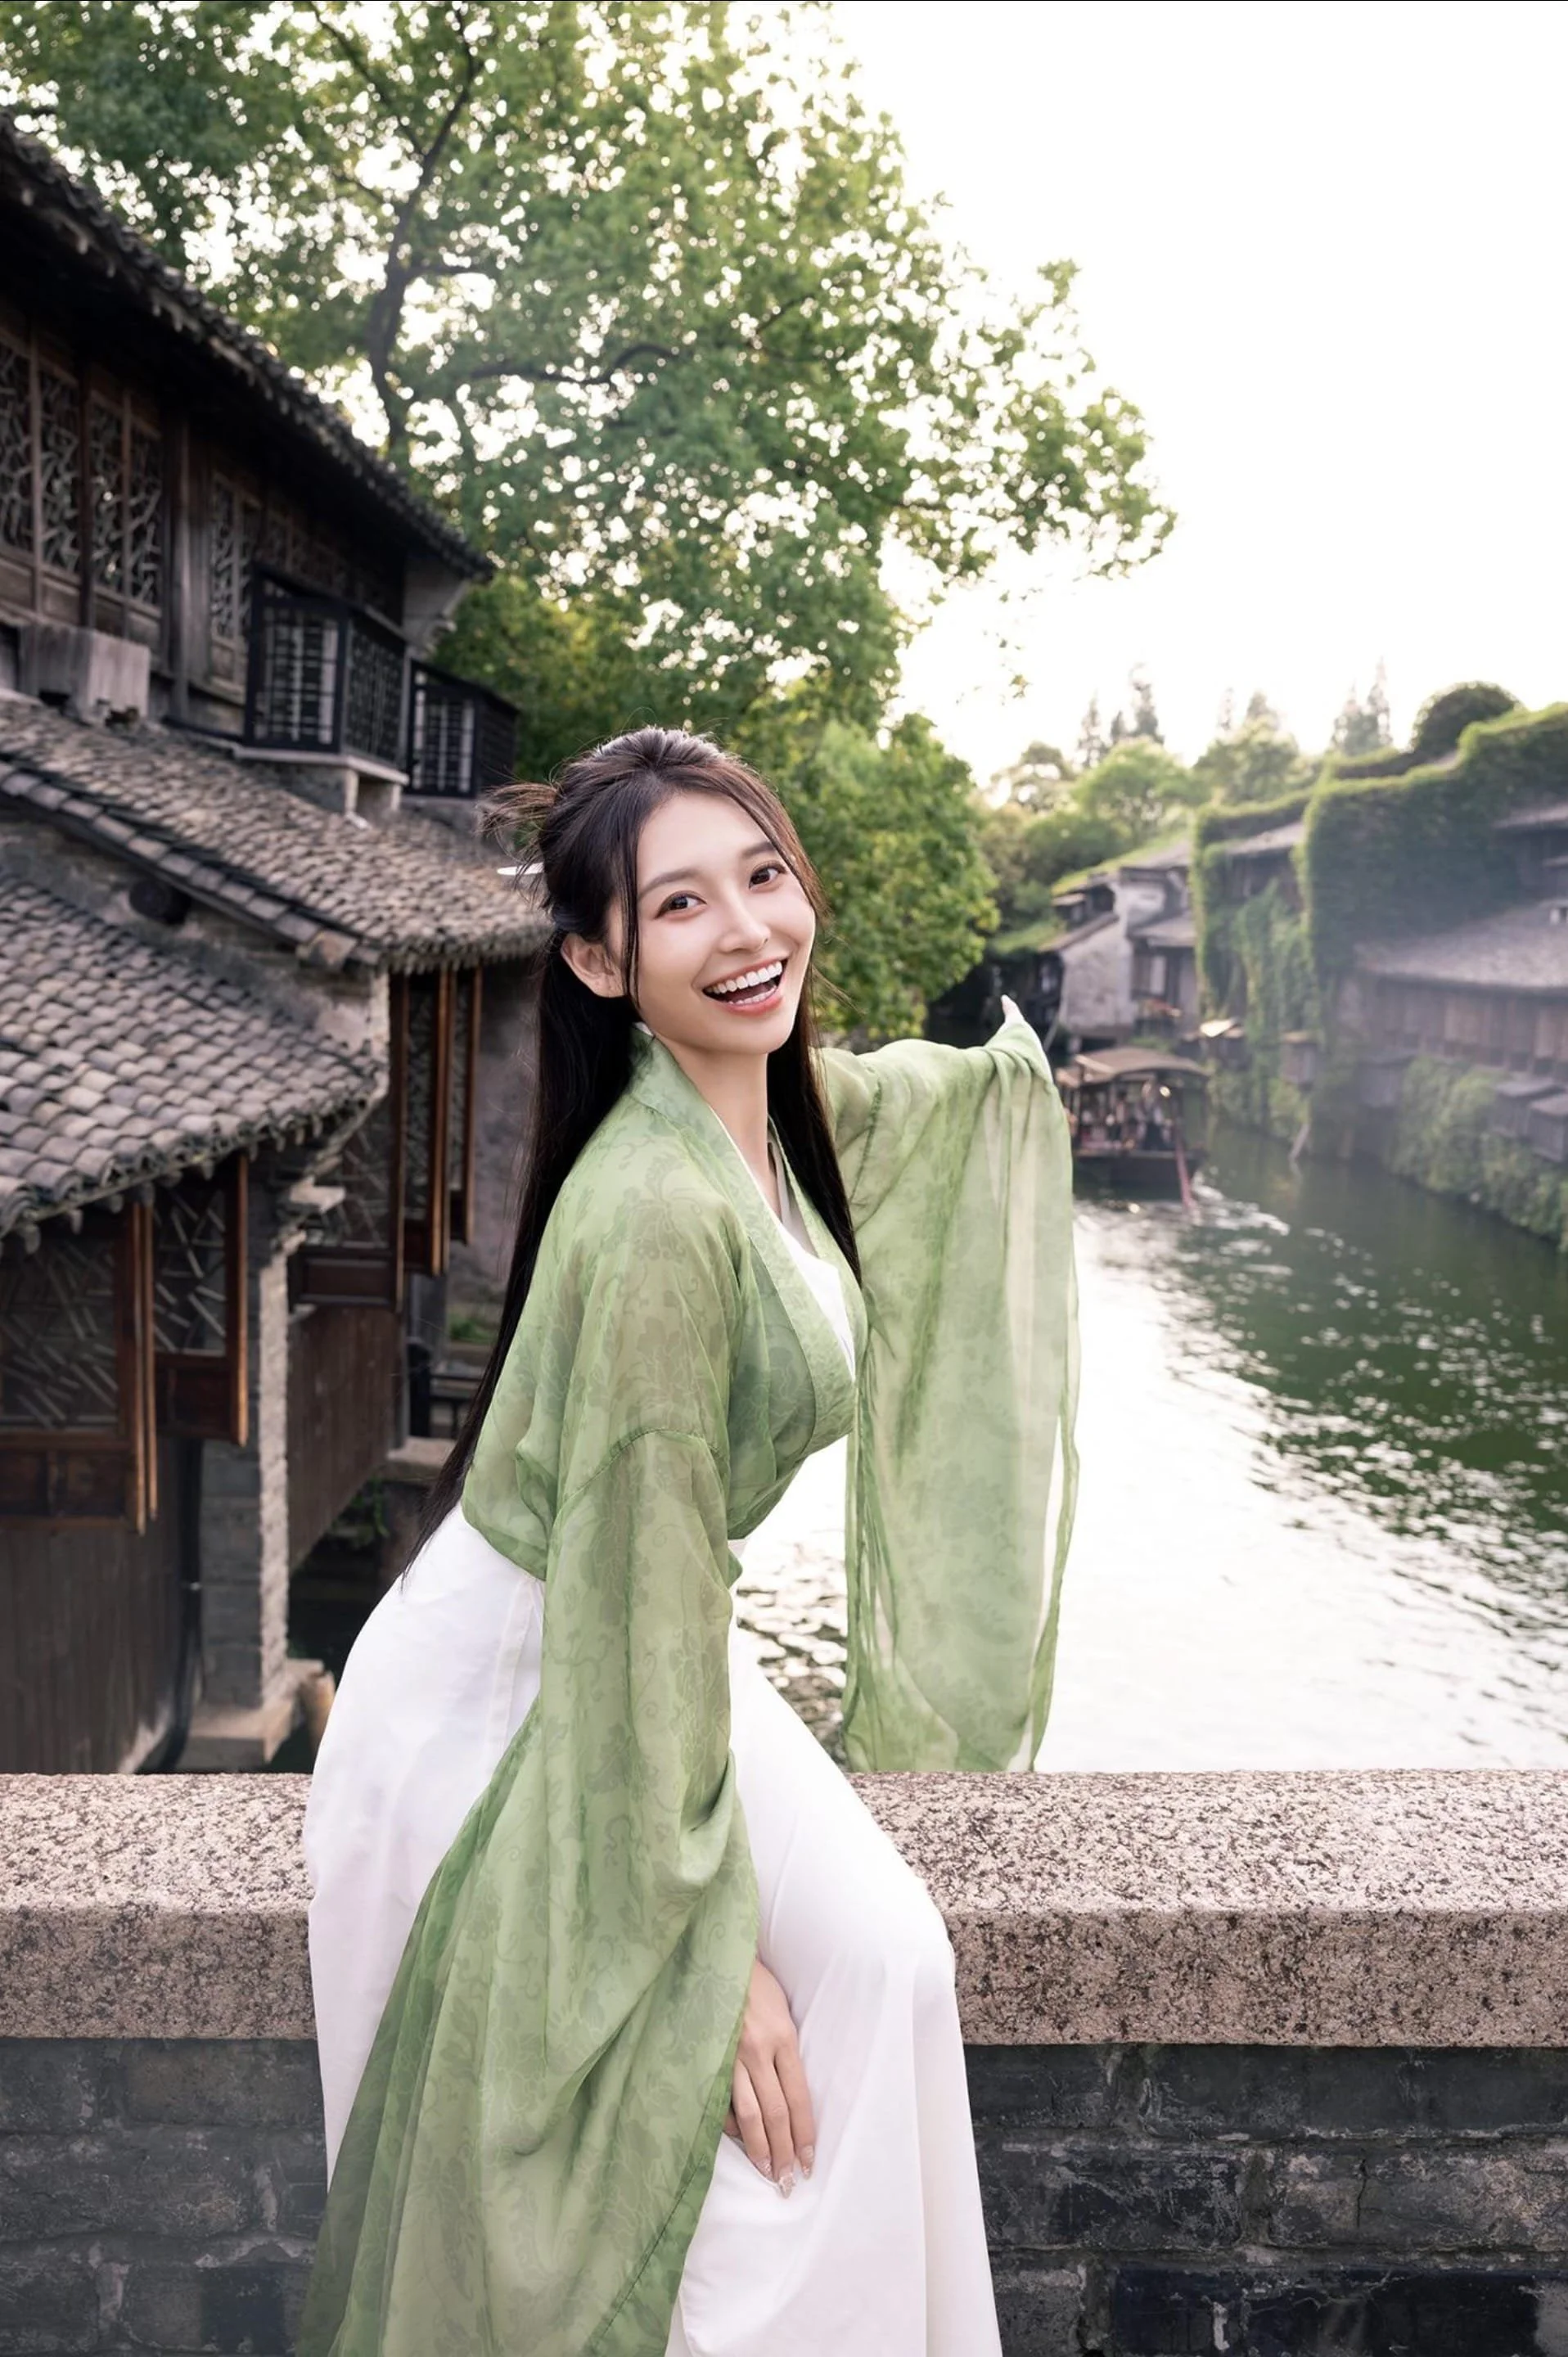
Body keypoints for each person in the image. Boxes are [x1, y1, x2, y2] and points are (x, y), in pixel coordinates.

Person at [300, 728, 1079, 2357]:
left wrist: (991, 1075)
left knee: (893, 1966)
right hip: (517, 1680)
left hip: (651, 1622)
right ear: (597, 960)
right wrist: (703, 1952)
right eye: (680, 908)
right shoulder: (653, 1211)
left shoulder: (760, 1120)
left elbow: (863, 1101)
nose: (747, 934)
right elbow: (627, 1580)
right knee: (684, 2122)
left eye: (764, 877)